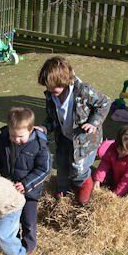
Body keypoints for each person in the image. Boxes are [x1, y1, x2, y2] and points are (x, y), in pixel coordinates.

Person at [38, 56, 110, 205]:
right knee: (62, 163)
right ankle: (63, 187)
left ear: (64, 81)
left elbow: (104, 103)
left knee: (79, 168)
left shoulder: (83, 91)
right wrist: (44, 128)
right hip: (64, 137)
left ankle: (84, 183)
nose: (50, 91)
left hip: (84, 140)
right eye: (48, 87)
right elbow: (52, 118)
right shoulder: (52, 96)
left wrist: (93, 123)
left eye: (54, 88)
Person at [0, 107, 51, 253]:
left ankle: (28, 247)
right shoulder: (2, 139)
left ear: (31, 130)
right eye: (12, 135)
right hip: (8, 191)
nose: (16, 140)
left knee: (28, 221)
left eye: (20, 136)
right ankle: (12, 243)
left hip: (29, 192)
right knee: (9, 220)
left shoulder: (40, 146)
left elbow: (44, 169)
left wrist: (26, 184)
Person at [92, 125, 128, 197]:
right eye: (119, 149)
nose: (120, 153)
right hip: (114, 176)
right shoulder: (113, 147)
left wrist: (116, 194)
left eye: (124, 151)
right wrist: (97, 180)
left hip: (126, 186)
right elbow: (105, 163)